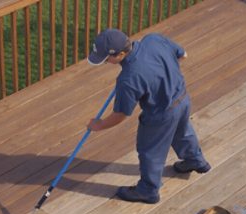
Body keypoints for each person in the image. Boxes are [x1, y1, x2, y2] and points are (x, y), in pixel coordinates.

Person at [87, 29, 210, 204]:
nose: (106, 62)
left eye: (107, 58)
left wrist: (98, 125)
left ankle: (148, 191)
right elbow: (183, 55)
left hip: (161, 114)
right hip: (182, 98)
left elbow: (121, 114)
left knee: (150, 151)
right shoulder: (153, 40)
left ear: (121, 54)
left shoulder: (128, 79)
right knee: (182, 132)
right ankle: (195, 160)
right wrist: (161, 73)